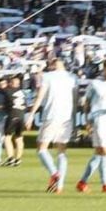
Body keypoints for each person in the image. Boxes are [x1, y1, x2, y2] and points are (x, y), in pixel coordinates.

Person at [25, 58, 77, 194]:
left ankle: (54, 173)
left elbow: (40, 96)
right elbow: (75, 99)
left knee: (42, 149)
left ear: (53, 64)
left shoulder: (47, 76)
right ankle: (59, 186)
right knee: (61, 151)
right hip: (67, 117)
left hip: (51, 115)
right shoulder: (72, 77)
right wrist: (75, 119)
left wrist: (31, 114)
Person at [77, 60, 106, 194]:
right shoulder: (95, 84)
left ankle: (82, 182)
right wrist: (87, 120)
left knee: (98, 153)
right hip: (97, 120)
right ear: (103, 70)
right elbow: (86, 103)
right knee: (105, 150)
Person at [1, 76, 27, 166]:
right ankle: (18, 159)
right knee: (19, 137)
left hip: (12, 114)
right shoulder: (23, 93)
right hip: (22, 115)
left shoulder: (7, 90)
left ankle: (10, 158)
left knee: (7, 137)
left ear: (11, 83)